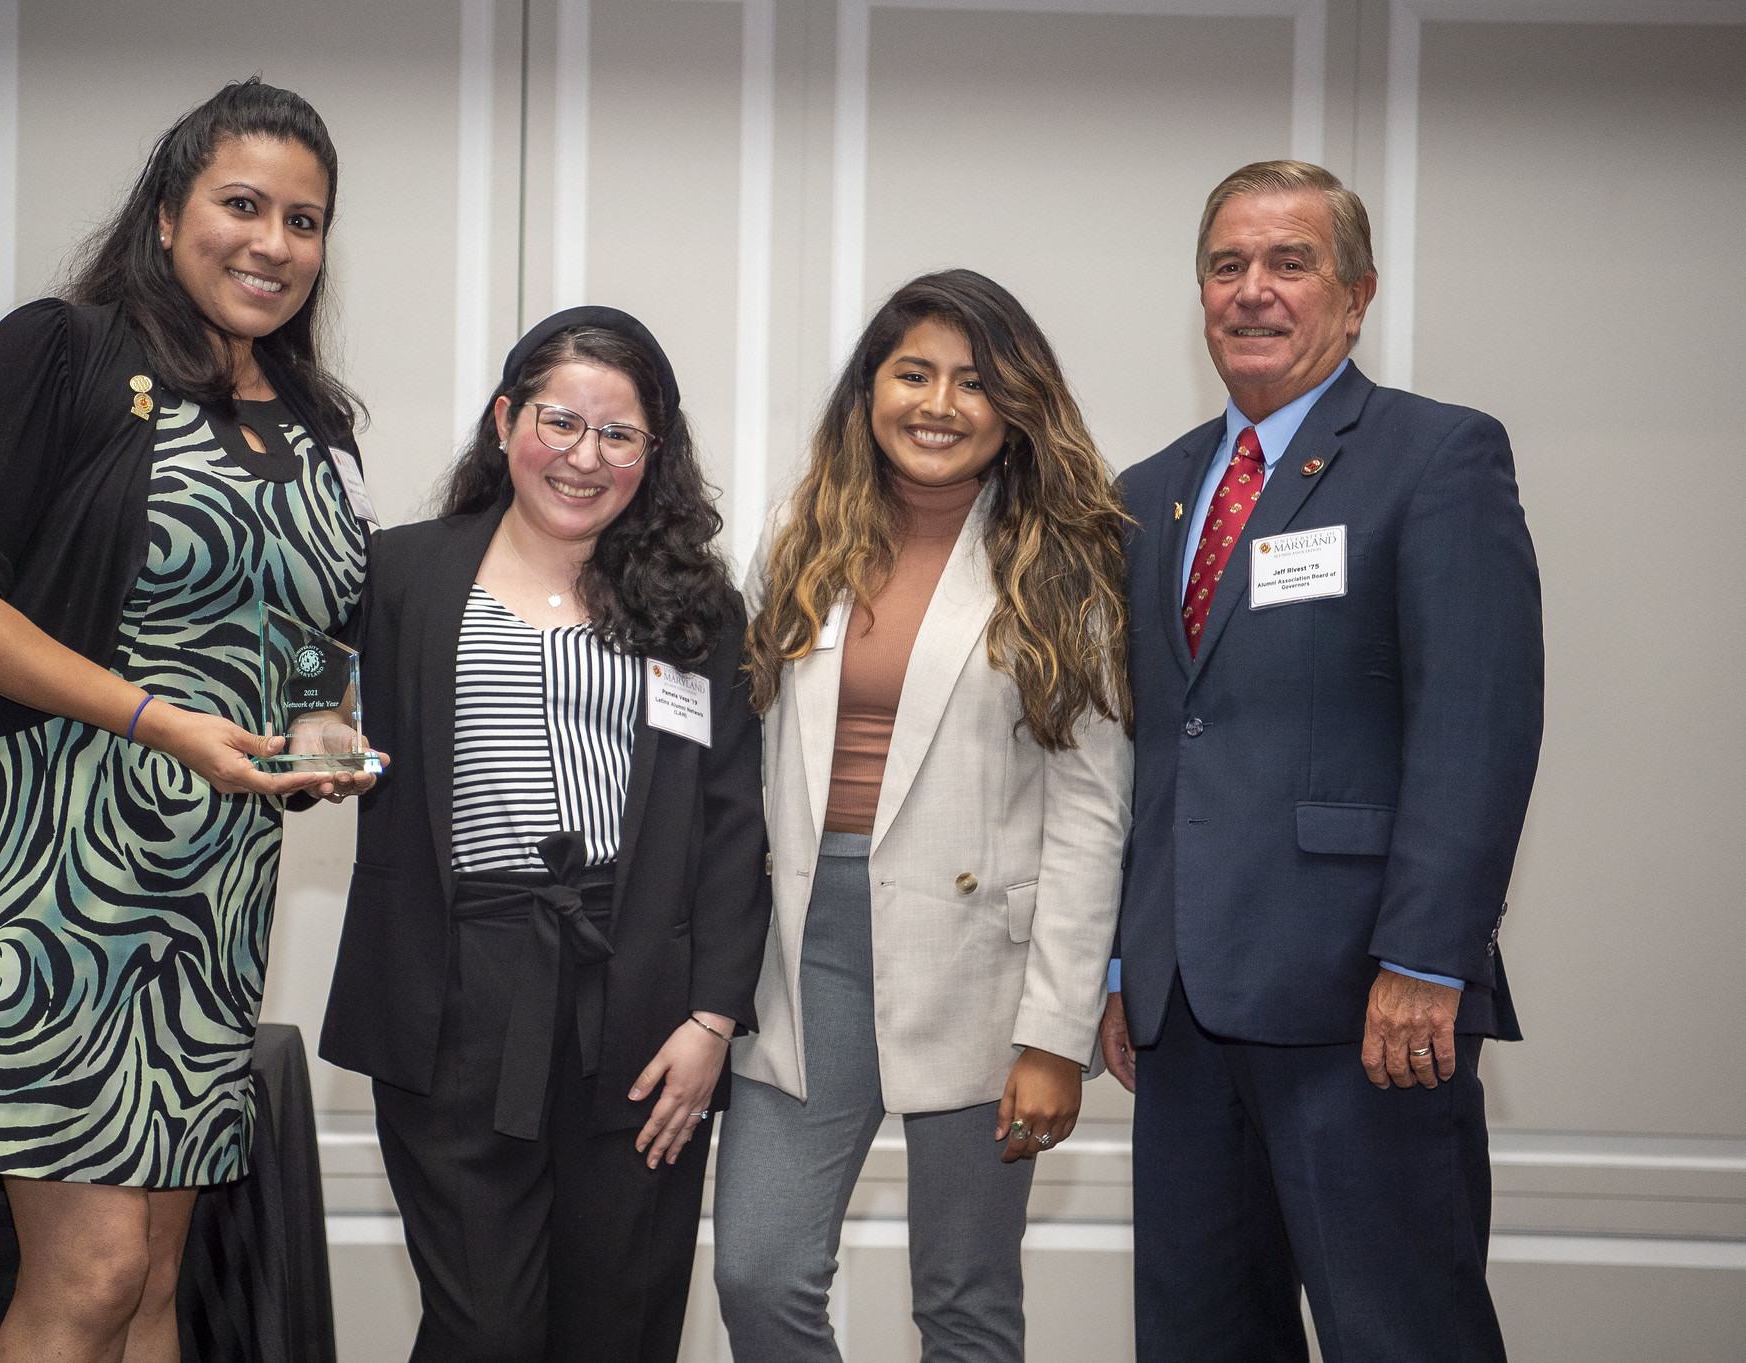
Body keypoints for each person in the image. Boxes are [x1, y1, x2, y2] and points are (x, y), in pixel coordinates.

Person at [0, 79, 376, 1363]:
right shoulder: (63, 350)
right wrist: (157, 719)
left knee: (153, 1276)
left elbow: (307, 626)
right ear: (165, 213)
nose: (273, 243)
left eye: (304, 220)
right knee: (91, 1272)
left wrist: (321, 728)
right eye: (242, 205)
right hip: (47, 865)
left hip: (208, 888)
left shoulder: (316, 423)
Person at [1099, 160, 1544, 1363]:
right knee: (1198, 1337)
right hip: (1183, 1010)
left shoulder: (1436, 457)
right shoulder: (1149, 494)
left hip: (1365, 1004)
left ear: (1356, 296)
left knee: (1400, 1333)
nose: (1252, 290)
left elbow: (1477, 723)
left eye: (1288, 263)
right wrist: (1124, 963)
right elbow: (1149, 747)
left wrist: (1425, 958)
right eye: (1226, 265)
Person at [317, 306, 769, 1363]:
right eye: (559, 421)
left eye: (618, 434)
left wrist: (711, 1019)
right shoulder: (401, 575)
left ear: (653, 453)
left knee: (619, 1324)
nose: (583, 457)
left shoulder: (695, 605)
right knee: (485, 1330)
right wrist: (310, 725)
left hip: (643, 1003)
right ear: (505, 419)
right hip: (450, 991)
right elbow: (299, 663)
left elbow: (731, 820)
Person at [713, 269, 1134, 1362]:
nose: (939, 404)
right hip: (805, 950)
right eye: (913, 374)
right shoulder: (800, 535)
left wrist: (1054, 1033)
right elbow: (742, 749)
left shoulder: (1066, 561)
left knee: (964, 1299)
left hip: (984, 964)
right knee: (758, 1271)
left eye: (973, 381)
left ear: (1014, 405)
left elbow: (1090, 814)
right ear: (870, 389)